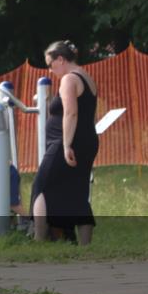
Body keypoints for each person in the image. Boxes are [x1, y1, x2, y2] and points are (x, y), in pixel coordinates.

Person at [31, 41, 99, 245]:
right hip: (87, 140)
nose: (50, 70)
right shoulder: (85, 76)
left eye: (50, 65)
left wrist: (67, 145)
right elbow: (74, 108)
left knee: (41, 186)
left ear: (61, 59)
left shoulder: (69, 79)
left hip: (66, 142)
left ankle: (39, 239)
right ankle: (85, 245)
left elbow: (71, 112)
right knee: (78, 192)